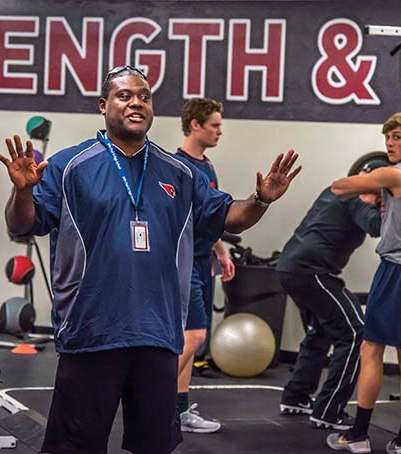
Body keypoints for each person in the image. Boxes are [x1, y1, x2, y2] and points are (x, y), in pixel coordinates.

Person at [0, 65, 301, 454]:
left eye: (144, 95)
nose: (136, 102)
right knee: (74, 446)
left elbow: (230, 217)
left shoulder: (181, 172)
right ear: (103, 106)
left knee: (154, 446)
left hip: (157, 333)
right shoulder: (69, 166)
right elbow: (24, 224)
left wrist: (261, 199)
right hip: (91, 331)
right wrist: (22, 192)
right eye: (125, 96)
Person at [327, 112, 401, 454]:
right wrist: (381, 195)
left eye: (398, 137)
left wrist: (370, 186)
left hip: (397, 271)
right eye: (387, 137)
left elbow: (340, 187)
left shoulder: (394, 173)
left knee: (370, 350)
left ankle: (358, 435)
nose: (390, 143)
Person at [276, 161, 387, 432]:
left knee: (321, 331)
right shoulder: (356, 199)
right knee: (354, 333)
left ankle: (296, 396)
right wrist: (394, 205)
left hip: (291, 267)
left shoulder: (335, 189)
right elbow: (375, 226)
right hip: (311, 271)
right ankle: (329, 410)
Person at [174, 97, 235, 433]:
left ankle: (178, 410)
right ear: (195, 125)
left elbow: (209, 216)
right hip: (182, 263)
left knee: (189, 337)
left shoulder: (207, 166)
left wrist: (221, 251)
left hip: (202, 260)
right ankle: (151, 402)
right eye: (214, 126)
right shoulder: (176, 167)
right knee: (194, 336)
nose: (219, 132)